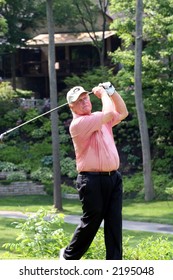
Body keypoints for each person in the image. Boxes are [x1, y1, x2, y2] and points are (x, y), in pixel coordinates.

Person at [60, 82, 128, 260]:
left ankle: (114, 265)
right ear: (71, 106)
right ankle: (68, 257)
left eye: (85, 97)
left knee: (114, 223)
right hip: (90, 180)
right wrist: (102, 94)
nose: (84, 102)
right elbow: (107, 114)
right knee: (92, 221)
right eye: (79, 101)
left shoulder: (99, 118)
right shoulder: (78, 124)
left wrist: (112, 91)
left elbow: (122, 112)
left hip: (113, 178)